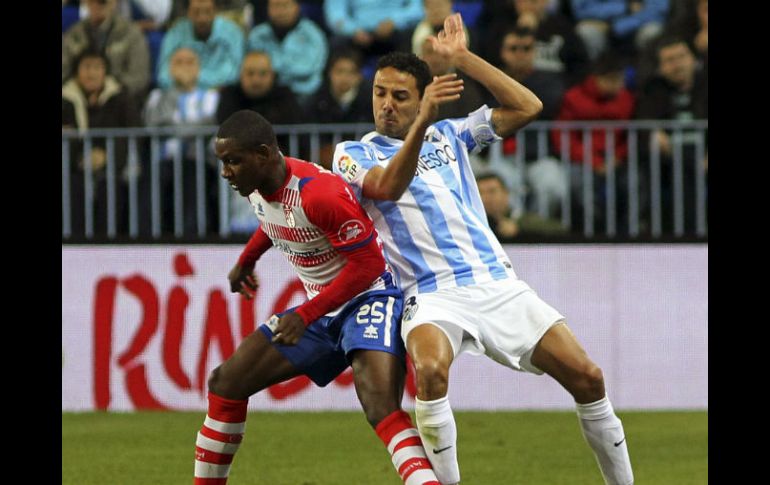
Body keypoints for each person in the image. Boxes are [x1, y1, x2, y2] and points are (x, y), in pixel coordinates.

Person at [331, 13, 634, 485]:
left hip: (494, 281)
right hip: (430, 292)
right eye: (379, 93)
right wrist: (422, 123)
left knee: (589, 377)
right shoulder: (354, 152)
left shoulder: (450, 134)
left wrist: (464, 59)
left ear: (424, 96)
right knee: (430, 372)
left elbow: (529, 105)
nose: (386, 105)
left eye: (400, 96)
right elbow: (387, 188)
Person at [193, 110, 440, 485]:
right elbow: (273, 220)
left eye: (233, 161)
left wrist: (306, 314)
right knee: (226, 383)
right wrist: (247, 260)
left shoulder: (319, 194)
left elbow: (369, 265)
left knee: (380, 406)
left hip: (368, 298)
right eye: (223, 162)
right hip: (321, 311)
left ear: (263, 154)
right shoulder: (258, 186)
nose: (226, 172)